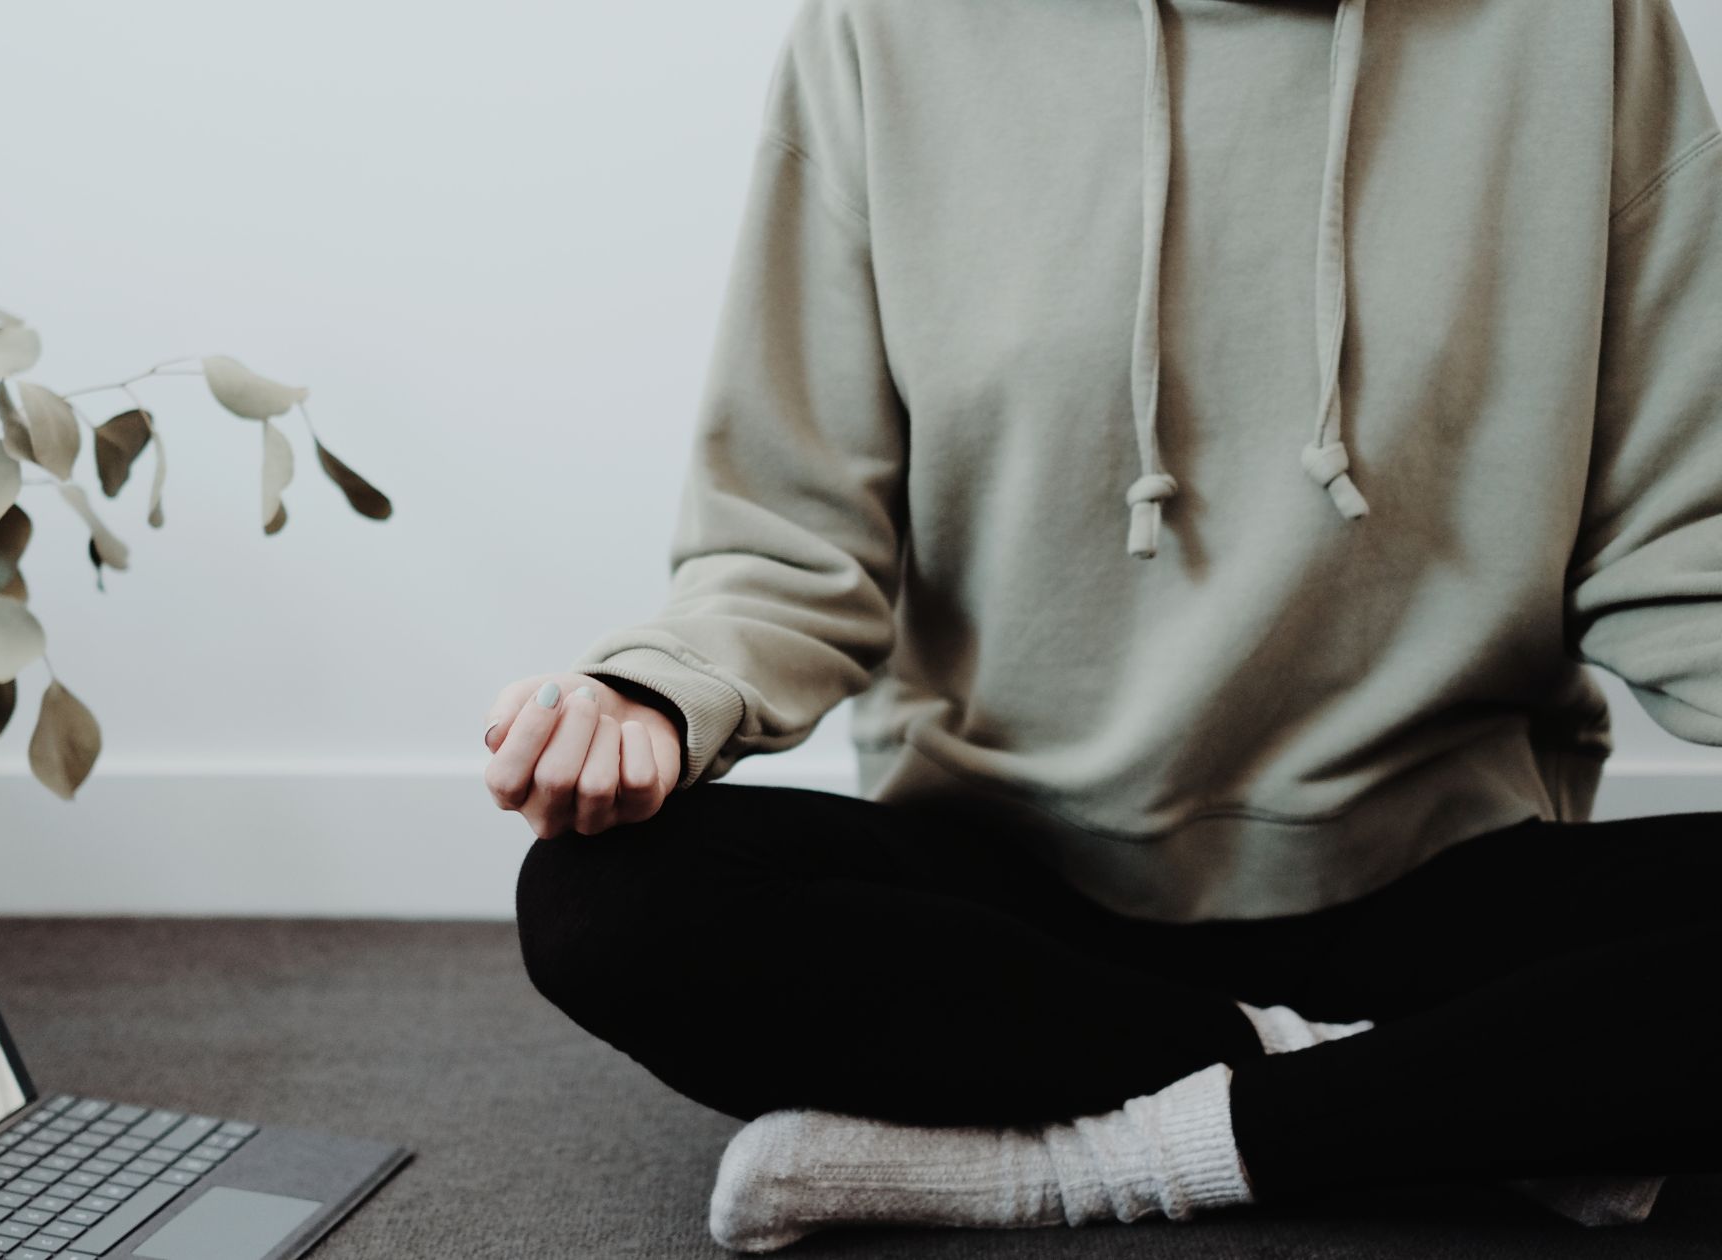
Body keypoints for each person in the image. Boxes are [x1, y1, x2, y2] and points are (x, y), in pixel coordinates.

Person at [481, 0, 1722, 1251]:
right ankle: (1436, 1095)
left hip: (1435, 875)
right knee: (611, 905)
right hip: (1021, 895)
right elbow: (792, 538)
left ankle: (1096, 1158)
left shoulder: (1583, 27)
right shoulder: (880, 31)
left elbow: (1681, 527)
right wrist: (651, 695)